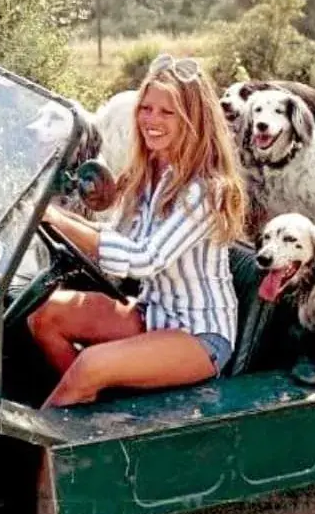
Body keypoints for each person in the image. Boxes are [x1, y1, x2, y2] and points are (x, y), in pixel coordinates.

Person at [27, 53, 248, 409]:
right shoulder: (153, 172)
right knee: (43, 314)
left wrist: (58, 219)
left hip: (199, 336)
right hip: (152, 314)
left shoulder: (208, 188)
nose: (151, 120)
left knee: (89, 365)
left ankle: (43, 448)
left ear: (193, 119)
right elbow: (116, 238)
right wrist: (46, 212)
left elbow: (145, 259)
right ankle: (92, 416)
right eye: (146, 108)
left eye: (167, 112)